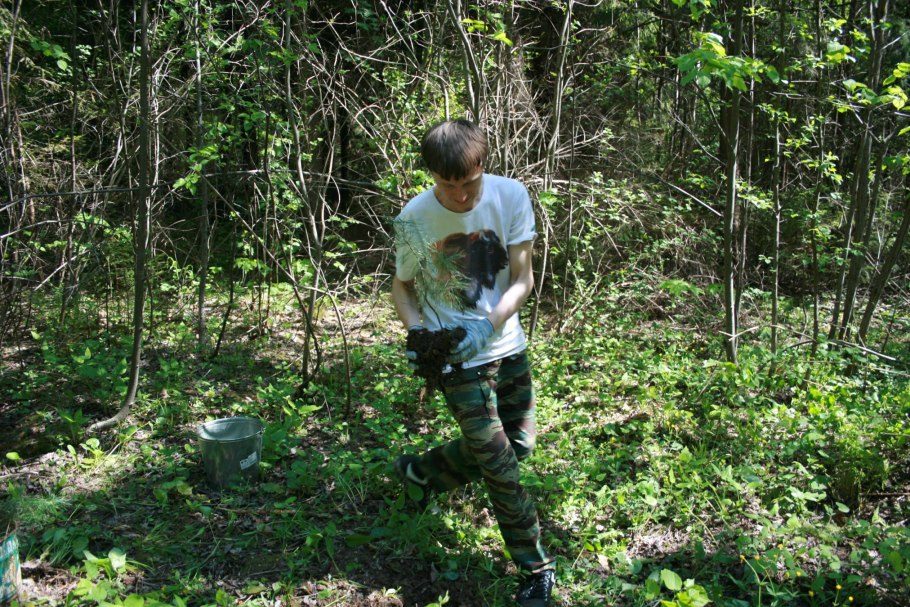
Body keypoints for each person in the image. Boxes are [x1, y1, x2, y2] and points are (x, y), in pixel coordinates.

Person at [391, 118, 556, 607]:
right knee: (501, 465)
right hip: (455, 358)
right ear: (433, 177)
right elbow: (402, 287)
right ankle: (536, 569)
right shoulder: (414, 218)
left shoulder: (511, 196)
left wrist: (490, 325)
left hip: (506, 346)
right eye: (449, 186)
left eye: (471, 184)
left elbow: (523, 279)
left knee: (518, 444)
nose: (462, 197)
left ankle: (422, 473)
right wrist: (418, 331)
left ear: (483, 165)